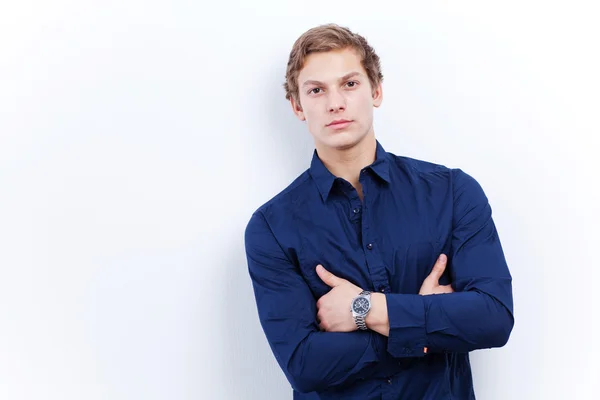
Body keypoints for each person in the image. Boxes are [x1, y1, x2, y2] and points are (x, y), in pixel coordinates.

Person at [244, 23, 514, 399]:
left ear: (376, 90)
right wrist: (426, 324)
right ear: (297, 106)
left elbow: (493, 318)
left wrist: (364, 310)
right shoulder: (271, 227)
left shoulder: (452, 192)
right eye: (317, 90)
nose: (335, 103)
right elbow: (304, 365)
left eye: (349, 84)